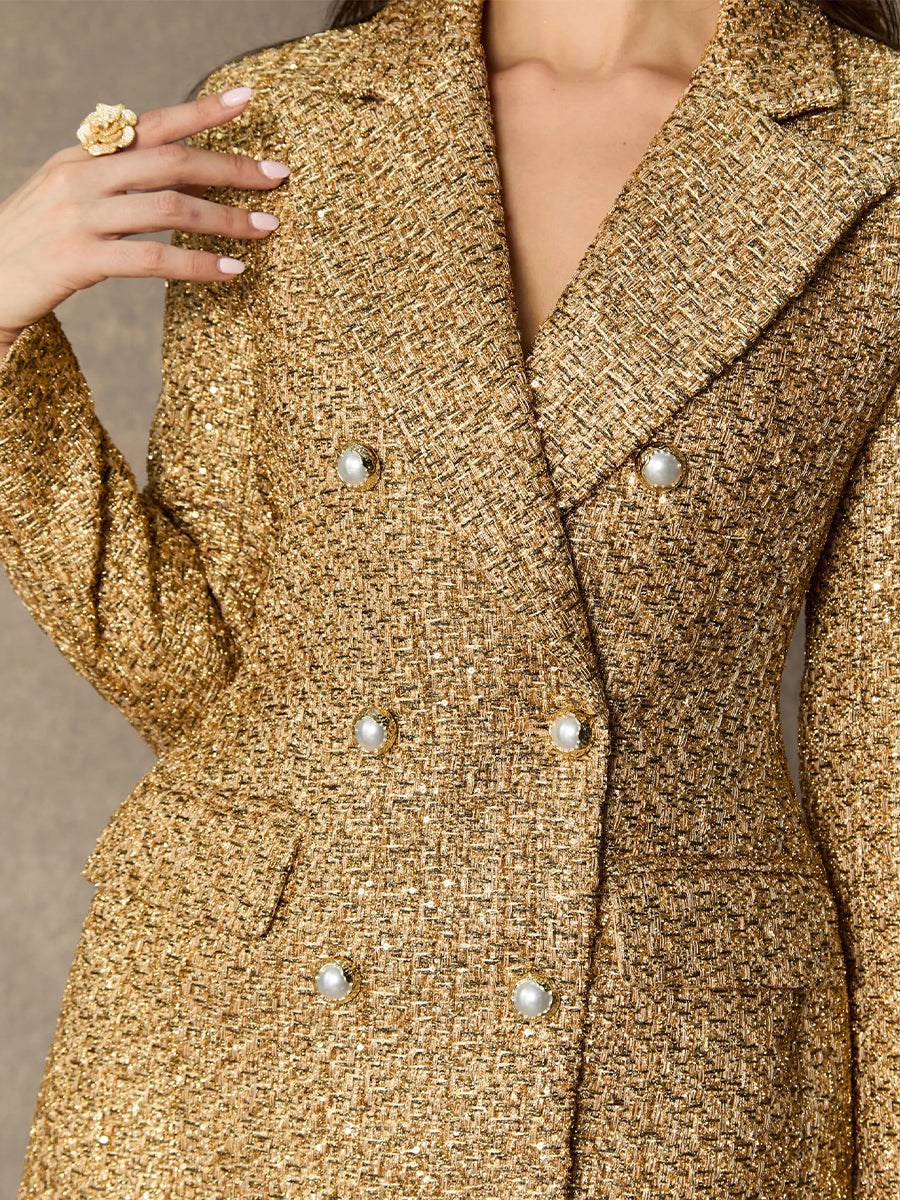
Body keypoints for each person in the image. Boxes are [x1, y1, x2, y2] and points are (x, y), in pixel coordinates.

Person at [0, 0, 898, 1196]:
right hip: (245, 1061)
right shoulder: (289, 119)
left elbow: (881, 763)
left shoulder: (871, 153)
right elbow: (207, 682)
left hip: (662, 1073)